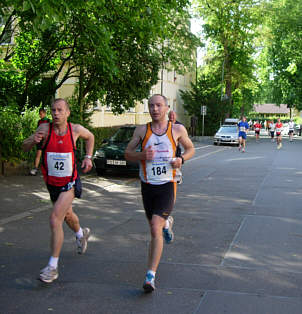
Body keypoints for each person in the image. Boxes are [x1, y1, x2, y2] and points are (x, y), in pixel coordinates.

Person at [125, 94, 195, 293]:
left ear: (166, 108)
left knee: (155, 229)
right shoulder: (141, 130)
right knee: (154, 225)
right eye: (151, 106)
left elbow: (190, 149)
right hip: (147, 185)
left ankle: (150, 276)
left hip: (167, 184)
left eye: (158, 105)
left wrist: (181, 160)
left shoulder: (177, 130)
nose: (154, 109)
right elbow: (127, 153)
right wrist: (141, 155)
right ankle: (167, 222)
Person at [22, 98, 94, 283]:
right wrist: (33, 139)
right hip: (51, 183)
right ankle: (81, 234)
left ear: (67, 113)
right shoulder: (44, 130)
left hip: (69, 182)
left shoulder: (75, 129)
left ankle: (52, 267)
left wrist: (88, 157)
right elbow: (25, 147)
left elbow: (90, 137)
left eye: (60, 110)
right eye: (53, 110)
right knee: (67, 214)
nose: (56, 113)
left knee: (55, 219)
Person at [30, 108, 51, 176]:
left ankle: (49, 170)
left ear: (45, 114)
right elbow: (38, 130)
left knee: (47, 155)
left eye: (41, 114)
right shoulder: (39, 121)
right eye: (39, 114)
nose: (40, 115)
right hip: (40, 140)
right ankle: (35, 168)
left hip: (46, 140)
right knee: (38, 154)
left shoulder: (49, 121)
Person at [168, 110, 183, 183]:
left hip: (177, 147)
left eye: (173, 115)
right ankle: (169, 177)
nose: (171, 116)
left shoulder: (179, 125)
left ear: (176, 116)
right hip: (167, 148)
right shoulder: (165, 124)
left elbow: (183, 137)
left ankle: (177, 179)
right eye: (170, 115)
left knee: (177, 163)